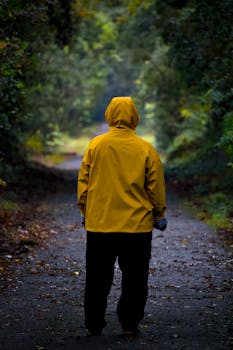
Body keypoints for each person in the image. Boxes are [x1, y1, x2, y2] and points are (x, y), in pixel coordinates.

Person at [77, 96, 167, 337]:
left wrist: (87, 211)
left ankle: (94, 324)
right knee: (135, 279)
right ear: (135, 116)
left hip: (100, 225)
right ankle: (129, 324)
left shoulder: (96, 145)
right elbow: (155, 185)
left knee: (97, 278)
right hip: (136, 227)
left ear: (109, 114)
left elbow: (83, 182)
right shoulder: (145, 148)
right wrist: (159, 214)